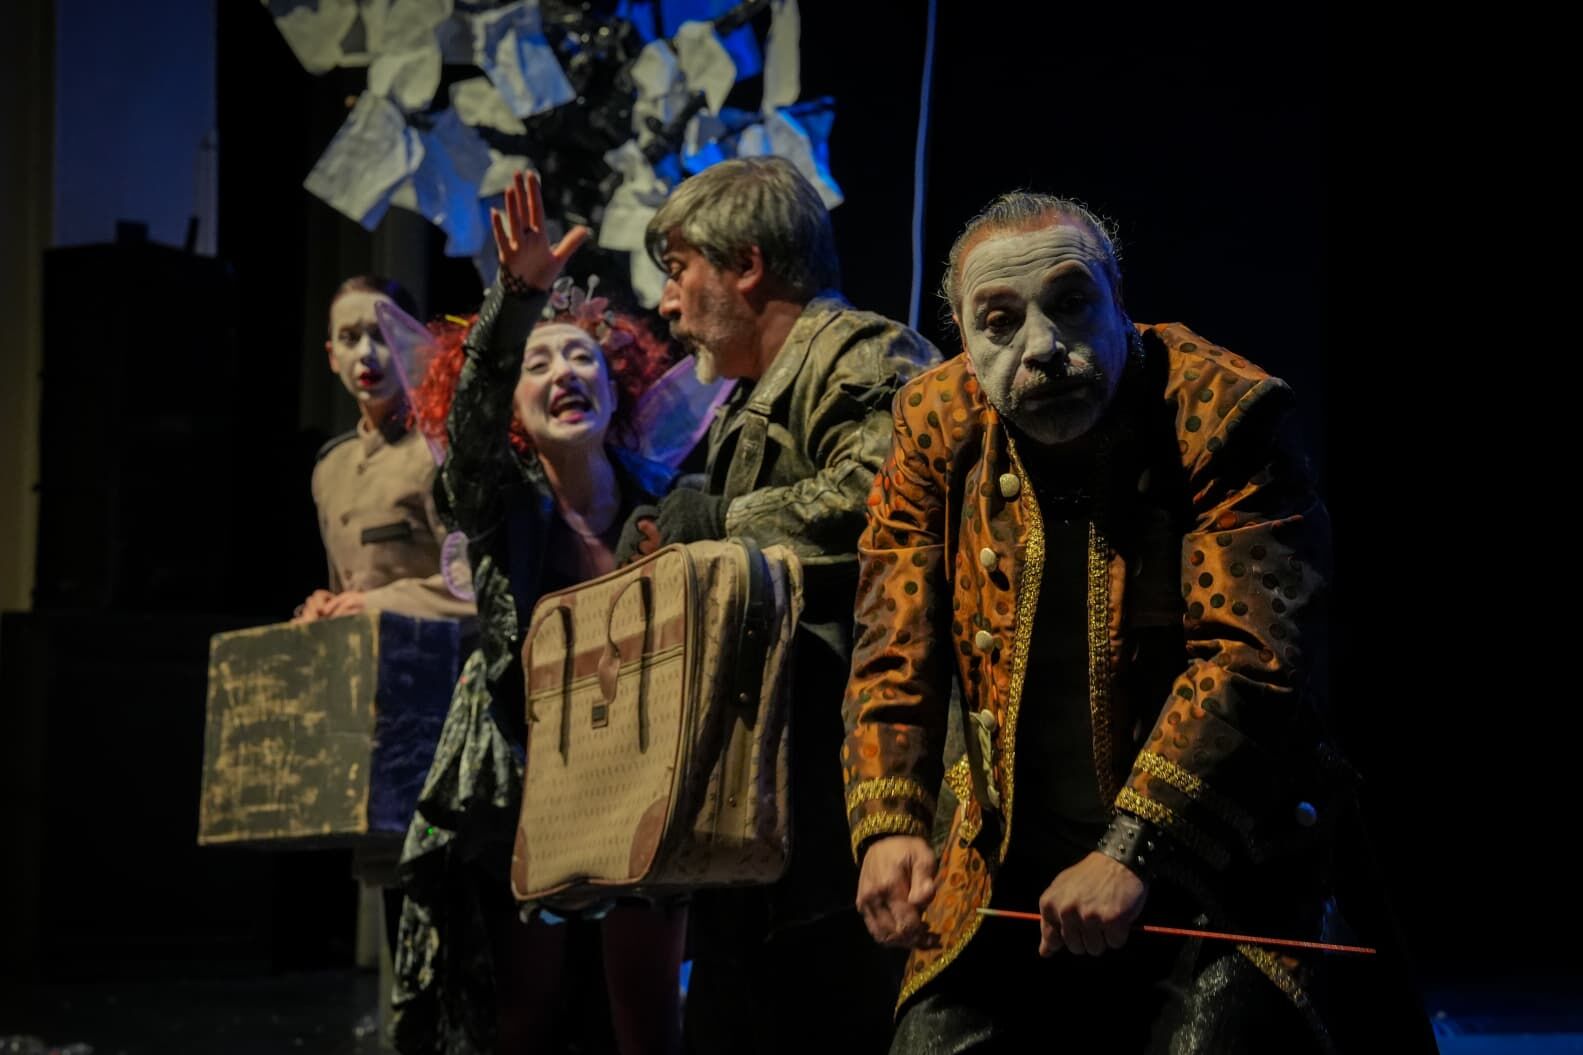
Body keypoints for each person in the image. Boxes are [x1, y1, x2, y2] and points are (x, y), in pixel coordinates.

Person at [843, 191, 1377, 1052]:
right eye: (999, 321)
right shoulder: (932, 420)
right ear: (962, 338)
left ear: (1118, 301)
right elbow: (891, 640)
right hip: (1005, 864)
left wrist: (1132, 848)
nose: (1042, 346)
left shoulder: (1223, 410)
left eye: (1070, 302)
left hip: (1222, 864)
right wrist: (892, 821)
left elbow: (1252, 658)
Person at [613, 156, 941, 1054]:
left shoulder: (862, 352)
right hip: (766, 828)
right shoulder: (747, 403)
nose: (667, 304)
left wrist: (720, 523)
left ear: (747, 264)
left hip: (846, 823)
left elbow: (888, 499)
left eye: (678, 271)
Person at [392, 171, 686, 1055]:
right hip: (523, 787)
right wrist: (514, 300)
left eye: (582, 357)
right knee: (524, 1017)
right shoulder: (498, 504)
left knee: (647, 1022)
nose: (564, 371)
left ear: (615, 387)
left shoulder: (667, 514)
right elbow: (469, 434)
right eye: (539, 361)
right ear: (514, 406)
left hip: (639, 781)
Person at [295, 274, 476, 625]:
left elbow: (476, 586)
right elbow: (347, 587)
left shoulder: (440, 450)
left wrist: (375, 603)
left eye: (382, 336)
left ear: (412, 347)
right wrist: (325, 608)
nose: (366, 353)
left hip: (440, 652)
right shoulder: (331, 467)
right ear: (332, 356)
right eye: (350, 338)